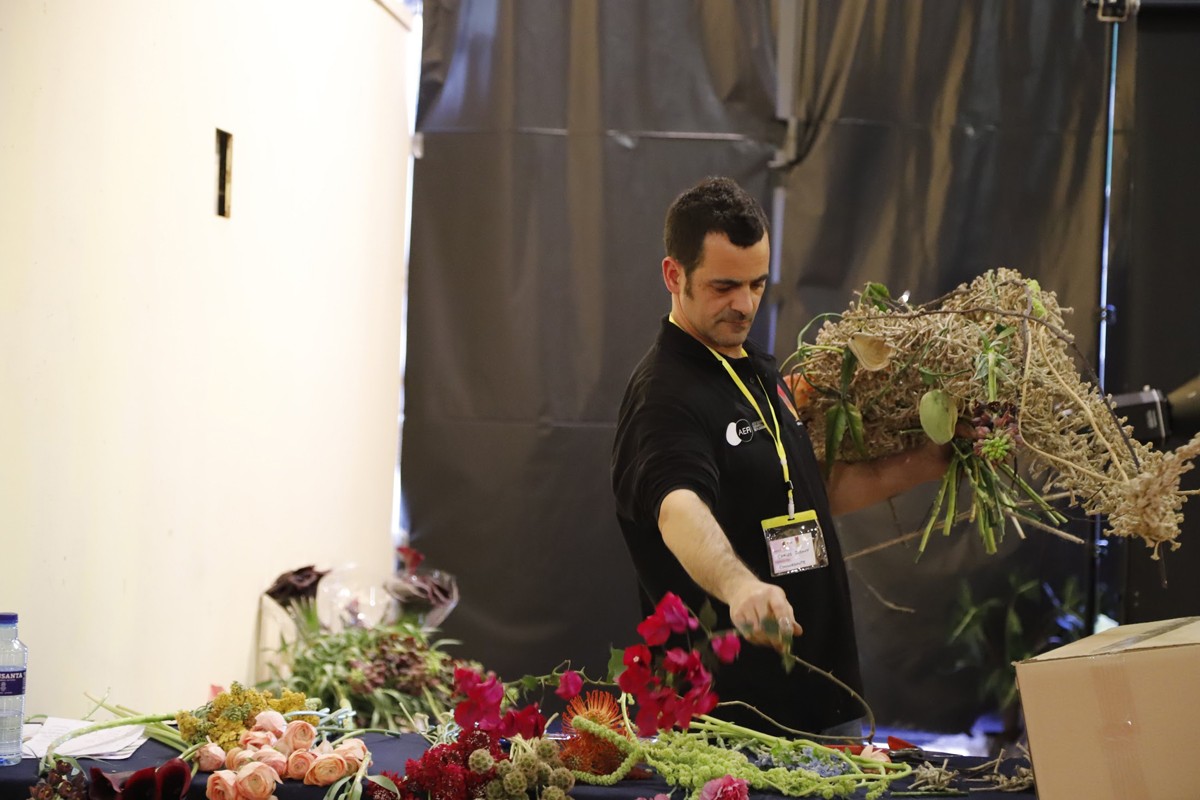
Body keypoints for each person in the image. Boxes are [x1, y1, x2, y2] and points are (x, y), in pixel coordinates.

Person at [611, 176, 950, 736]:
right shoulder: (663, 396)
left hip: (821, 700)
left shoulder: (759, 372)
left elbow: (811, 490)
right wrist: (742, 588)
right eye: (723, 287)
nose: (743, 305)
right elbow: (677, 507)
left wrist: (934, 459)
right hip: (732, 724)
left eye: (756, 284)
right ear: (675, 275)